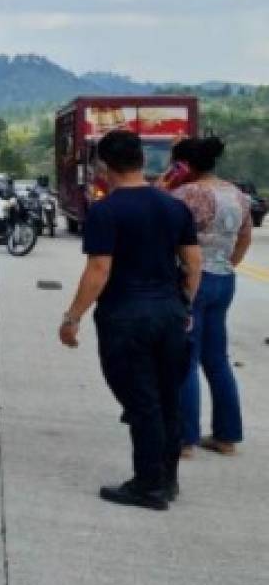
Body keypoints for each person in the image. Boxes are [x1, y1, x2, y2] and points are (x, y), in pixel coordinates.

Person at [59, 130, 201, 511]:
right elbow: (193, 263)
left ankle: (148, 485)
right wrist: (184, 305)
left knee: (142, 402)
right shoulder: (174, 207)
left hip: (126, 317)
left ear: (103, 165)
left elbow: (99, 270)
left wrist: (72, 317)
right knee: (167, 398)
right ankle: (167, 479)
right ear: (142, 160)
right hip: (169, 313)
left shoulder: (106, 211)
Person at [171, 137, 252, 457]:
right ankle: (227, 436)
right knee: (217, 359)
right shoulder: (237, 194)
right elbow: (244, 238)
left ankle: (184, 438)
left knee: (185, 360)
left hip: (193, 280)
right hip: (224, 279)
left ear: (183, 165)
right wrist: (227, 264)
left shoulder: (186, 194)